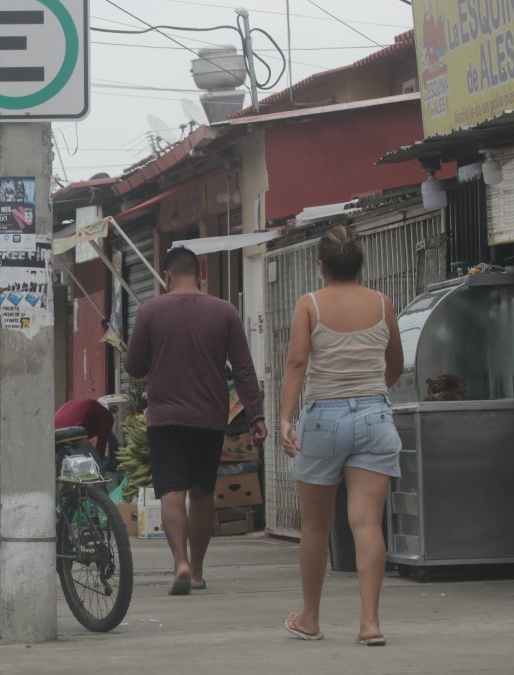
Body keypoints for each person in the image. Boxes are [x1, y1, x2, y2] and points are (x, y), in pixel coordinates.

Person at [279, 224, 403, 646]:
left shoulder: (309, 304)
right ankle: (370, 623)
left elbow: (297, 364)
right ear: (359, 263)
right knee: (367, 522)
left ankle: (310, 618)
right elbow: (395, 365)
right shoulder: (383, 303)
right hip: (375, 416)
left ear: (321, 266)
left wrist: (283, 418)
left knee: (316, 525)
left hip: (323, 419)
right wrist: (373, 392)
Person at [125, 246, 267, 595]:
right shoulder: (225, 312)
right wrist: (255, 414)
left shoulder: (150, 311)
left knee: (171, 491)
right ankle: (199, 570)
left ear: (167, 273)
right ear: (200, 271)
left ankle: (180, 563)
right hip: (209, 417)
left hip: (165, 418)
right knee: (202, 493)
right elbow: (244, 367)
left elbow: (133, 366)